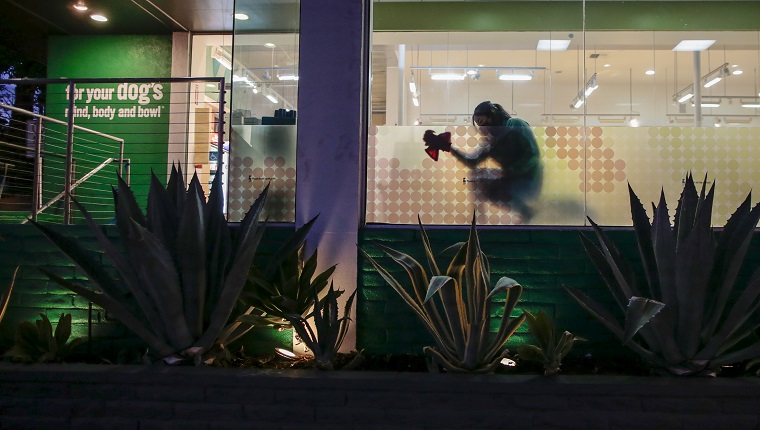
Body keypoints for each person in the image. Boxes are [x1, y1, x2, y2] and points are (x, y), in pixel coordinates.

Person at [450, 101, 543, 222]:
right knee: (477, 177)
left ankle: (527, 212)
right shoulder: (491, 141)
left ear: (493, 117)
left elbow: (533, 155)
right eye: (479, 125)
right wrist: (450, 148)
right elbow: (472, 162)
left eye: (483, 122)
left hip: (530, 179)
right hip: (511, 179)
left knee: (485, 180)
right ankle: (480, 223)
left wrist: (510, 171)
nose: (483, 128)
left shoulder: (515, 125)